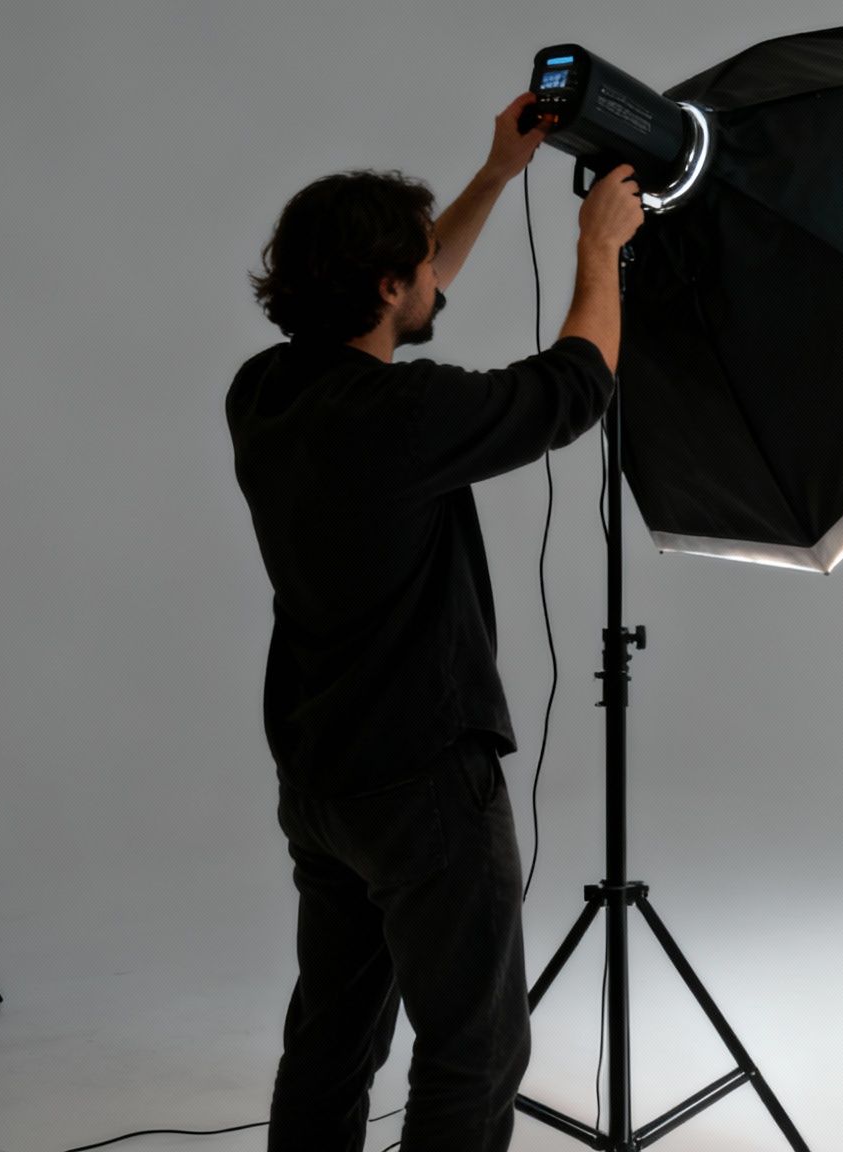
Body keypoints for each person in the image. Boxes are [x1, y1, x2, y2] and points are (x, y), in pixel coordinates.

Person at [226, 92, 644, 1150]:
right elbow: (575, 385)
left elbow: (415, 289)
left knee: (332, 1032)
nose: (434, 281)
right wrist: (599, 244)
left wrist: (497, 173)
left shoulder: (266, 390)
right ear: (382, 286)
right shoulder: (403, 417)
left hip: (323, 778)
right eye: (417, 270)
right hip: (422, 782)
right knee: (473, 1049)